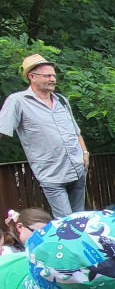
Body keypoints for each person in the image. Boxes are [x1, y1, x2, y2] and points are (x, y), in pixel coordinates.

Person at [0, 55, 89, 218]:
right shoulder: (18, 101)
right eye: (47, 75)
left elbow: (75, 131)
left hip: (77, 169)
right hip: (52, 174)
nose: (53, 79)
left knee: (80, 219)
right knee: (65, 223)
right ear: (32, 77)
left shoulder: (61, 100)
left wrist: (85, 153)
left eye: (54, 75)